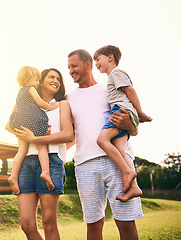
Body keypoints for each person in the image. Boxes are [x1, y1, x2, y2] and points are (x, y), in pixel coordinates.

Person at [66, 49, 144, 240]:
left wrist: (132, 126)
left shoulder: (109, 89)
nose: (70, 71)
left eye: (74, 66)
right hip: (85, 165)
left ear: (88, 64)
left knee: (126, 221)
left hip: (117, 162)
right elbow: (70, 135)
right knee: (93, 224)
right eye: (68, 67)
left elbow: (131, 125)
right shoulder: (68, 99)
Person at [9, 68, 74, 240]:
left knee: (49, 223)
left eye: (58, 79)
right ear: (40, 81)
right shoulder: (26, 99)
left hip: (51, 162)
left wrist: (35, 138)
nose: (56, 81)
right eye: (51, 77)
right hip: (25, 163)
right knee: (27, 225)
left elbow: (69, 135)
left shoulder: (61, 104)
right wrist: (25, 134)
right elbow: (9, 125)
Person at [93, 45, 152, 200]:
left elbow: (130, 91)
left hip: (121, 110)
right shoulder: (112, 77)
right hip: (124, 111)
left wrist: (140, 113)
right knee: (119, 147)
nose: (96, 63)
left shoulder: (116, 73)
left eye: (98, 59)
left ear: (110, 57)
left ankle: (127, 172)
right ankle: (134, 187)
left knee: (102, 139)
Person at [6, 66, 58, 194]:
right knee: (42, 147)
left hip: (20, 122)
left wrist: (18, 123)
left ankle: (13, 176)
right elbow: (40, 103)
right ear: (29, 79)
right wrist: (51, 106)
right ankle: (45, 172)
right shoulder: (31, 89)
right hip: (33, 121)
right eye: (36, 79)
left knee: (21, 151)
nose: (37, 83)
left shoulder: (19, 94)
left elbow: (14, 111)